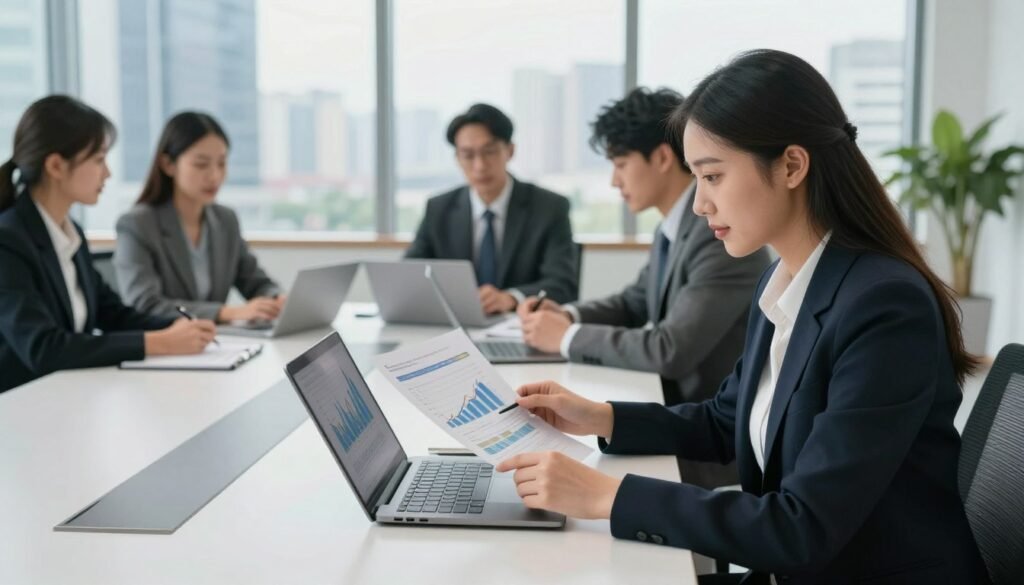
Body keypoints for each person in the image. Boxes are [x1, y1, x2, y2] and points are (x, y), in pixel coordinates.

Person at [496, 50, 988, 584]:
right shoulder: (784, 285)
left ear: (792, 165)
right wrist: (600, 417)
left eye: (712, 177)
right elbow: (725, 420)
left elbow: (802, 527)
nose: (701, 204)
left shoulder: (885, 307)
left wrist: (607, 496)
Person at [519, 87, 769, 406]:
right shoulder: (673, 227)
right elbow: (634, 302)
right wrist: (567, 315)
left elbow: (670, 349)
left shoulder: (717, 233)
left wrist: (565, 338)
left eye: (621, 164)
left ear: (662, 157)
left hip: (708, 428)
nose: (614, 181)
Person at [0, 96, 215, 393]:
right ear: (56, 166)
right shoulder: (8, 240)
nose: (107, 173)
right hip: (20, 408)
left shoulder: (69, 231)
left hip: (66, 395)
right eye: (99, 160)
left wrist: (174, 328)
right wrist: (158, 343)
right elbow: (43, 348)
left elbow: (111, 312)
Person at [404, 103, 578, 313]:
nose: (480, 166)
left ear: (510, 151)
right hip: (455, 327)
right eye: (468, 155)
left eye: (489, 152)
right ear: (457, 159)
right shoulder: (439, 208)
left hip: (520, 329)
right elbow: (409, 274)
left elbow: (563, 285)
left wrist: (511, 298)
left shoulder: (549, 208)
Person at [114, 112, 284, 323]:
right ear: (168, 165)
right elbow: (145, 304)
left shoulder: (225, 220)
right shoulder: (138, 224)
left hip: (217, 345)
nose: (214, 176)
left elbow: (255, 282)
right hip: (168, 348)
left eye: (222, 164)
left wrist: (276, 299)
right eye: (201, 164)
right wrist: (227, 313)